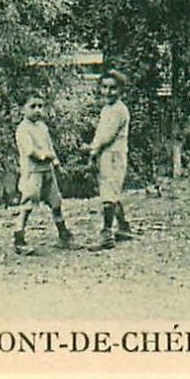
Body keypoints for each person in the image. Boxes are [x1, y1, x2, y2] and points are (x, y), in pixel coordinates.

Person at [12, 92, 73, 254]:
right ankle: (19, 238)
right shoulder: (22, 129)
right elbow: (30, 150)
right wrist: (44, 156)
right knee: (27, 205)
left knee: (56, 202)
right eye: (32, 106)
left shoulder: (42, 127)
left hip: (48, 171)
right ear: (22, 110)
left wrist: (56, 163)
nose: (38, 110)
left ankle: (63, 235)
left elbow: (50, 147)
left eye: (40, 106)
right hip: (33, 173)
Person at [86, 69, 133, 250]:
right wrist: (94, 148)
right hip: (106, 154)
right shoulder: (108, 108)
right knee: (111, 190)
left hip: (113, 155)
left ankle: (106, 235)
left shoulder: (119, 110)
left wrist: (93, 150)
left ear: (121, 90)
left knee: (108, 194)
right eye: (104, 87)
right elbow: (100, 133)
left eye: (113, 88)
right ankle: (124, 227)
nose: (107, 92)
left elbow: (107, 136)